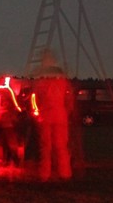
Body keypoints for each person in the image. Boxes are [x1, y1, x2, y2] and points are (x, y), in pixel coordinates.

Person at [31, 49, 74, 181]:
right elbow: (69, 98)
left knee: (46, 146)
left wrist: (36, 113)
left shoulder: (40, 80)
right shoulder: (61, 80)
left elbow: (34, 97)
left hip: (47, 116)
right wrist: (67, 110)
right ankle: (64, 173)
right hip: (59, 115)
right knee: (60, 146)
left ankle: (45, 174)